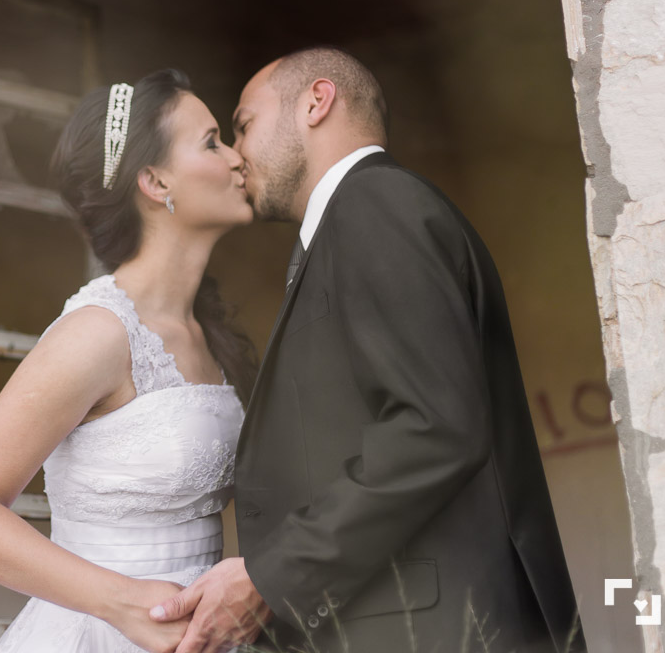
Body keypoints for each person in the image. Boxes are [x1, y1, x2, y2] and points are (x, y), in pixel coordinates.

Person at [148, 47, 585, 653]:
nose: (238, 156)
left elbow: (435, 426)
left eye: (243, 125)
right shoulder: (356, 219)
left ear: (317, 102)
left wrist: (273, 578)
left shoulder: (374, 204)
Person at [0, 69, 258, 652]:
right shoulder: (98, 334)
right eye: (212, 142)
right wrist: (121, 603)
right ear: (155, 181)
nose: (238, 159)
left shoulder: (209, 336)